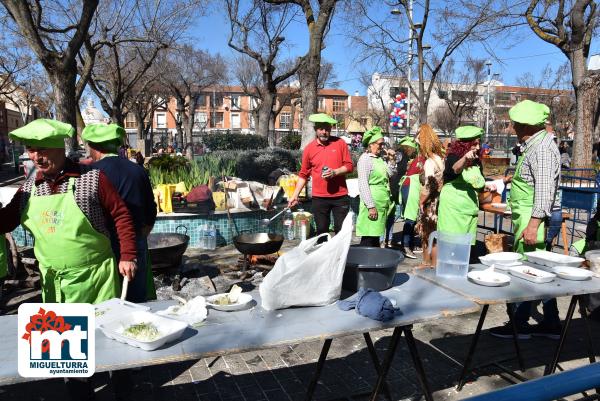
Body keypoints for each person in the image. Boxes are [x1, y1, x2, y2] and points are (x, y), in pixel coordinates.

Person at [0, 119, 137, 304]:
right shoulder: (28, 189)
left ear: (59, 149)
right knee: (61, 332)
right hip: (53, 284)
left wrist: (127, 256)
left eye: (42, 150)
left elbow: (121, 215)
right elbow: (6, 221)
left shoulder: (92, 179)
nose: (35, 157)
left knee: (100, 330)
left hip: (96, 280)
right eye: (31, 150)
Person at [490, 100, 561, 340]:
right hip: (528, 218)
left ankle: (519, 324)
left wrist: (533, 224)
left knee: (528, 270)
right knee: (536, 270)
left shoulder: (541, 148)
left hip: (533, 222)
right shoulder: (534, 144)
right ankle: (550, 323)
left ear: (526, 125)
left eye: (515, 124)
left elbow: (543, 190)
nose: (512, 128)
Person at [82, 124, 157, 303]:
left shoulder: (89, 174)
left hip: (100, 247)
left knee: (105, 301)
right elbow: (151, 210)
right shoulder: (138, 171)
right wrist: (140, 236)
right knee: (135, 298)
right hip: (134, 244)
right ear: (117, 144)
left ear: (92, 146)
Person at [287, 113, 353, 238]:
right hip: (320, 198)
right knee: (322, 231)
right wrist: (294, 195)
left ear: (331, 129)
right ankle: (323, 256)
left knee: (341, 230)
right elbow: (303, 174)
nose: (324, 132)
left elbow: (349, 166)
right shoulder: (309, 149)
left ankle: (341, 257)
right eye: (321, 129)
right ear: (315, 130)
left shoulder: (340, 143)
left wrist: (335, 172)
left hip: (340, 196)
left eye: (327, 129)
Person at [438, 126, 497, 248]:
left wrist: (487, 186)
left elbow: (478, 183)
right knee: (452, 244)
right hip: (453, 210)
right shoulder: (452, 157)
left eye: (479, 143)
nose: (478, 147)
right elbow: (455, 169)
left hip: (470, 208)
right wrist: (464, 159)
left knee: (466, 245)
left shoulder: (476, 161)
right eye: (474, 144)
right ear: (464, 145)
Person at [356, 127, 394, 247]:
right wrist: (371, 206)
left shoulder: (379, 159)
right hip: (372, 203)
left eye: (383, 144)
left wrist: (391, 159)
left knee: (375, 235)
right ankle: (365, 263)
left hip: (381, 203)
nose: (382, 147)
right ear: (371, 144)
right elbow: (363, 184)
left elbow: (391, 173)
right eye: (380, 144)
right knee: (368, 237)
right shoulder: (365, 160)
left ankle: (373, 263)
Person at [415, 124, 444, 267]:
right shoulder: (440, 158)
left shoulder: (429, 163)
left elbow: (430, 184)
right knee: (434, 234)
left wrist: (421, 201)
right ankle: (432, 263)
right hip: (438, 201)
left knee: (427, 233)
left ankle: (429, 263)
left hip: (429, 203)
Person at [382, 137, 416, 248]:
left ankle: (388, 239)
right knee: (390, 214)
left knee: (392, 214)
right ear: (409, 148)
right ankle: (384, 239)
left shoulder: (402, 155)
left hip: (395, 186)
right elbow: (394, 170)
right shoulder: (401, 155)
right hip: (394, 186)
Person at [400, 138, 423, 259]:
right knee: (410, 217)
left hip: (413, 186)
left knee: (413, 217)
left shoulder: (421, 157)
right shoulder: (422, 157)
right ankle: (406, 246)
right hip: (410, 186)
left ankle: (411, 244)